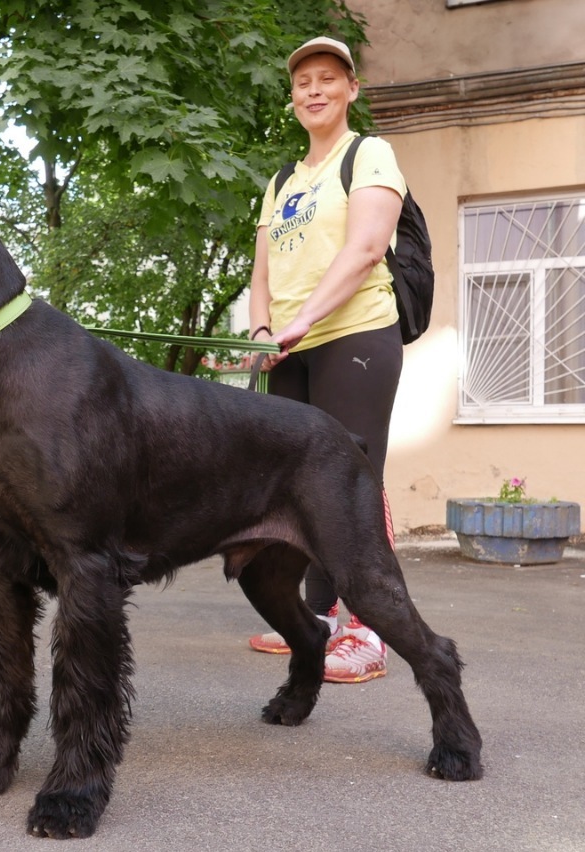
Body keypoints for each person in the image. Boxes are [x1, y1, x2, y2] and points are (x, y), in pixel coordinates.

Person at [247, 36, 405, 683]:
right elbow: (261, 271)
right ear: (293, 98)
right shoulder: (282, 181)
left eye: (327, 79)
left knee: (353, 484)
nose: (314, 90)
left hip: (355, 336)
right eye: (303, 81)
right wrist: (261, 327)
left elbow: (367, 246)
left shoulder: (368, 155)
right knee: (291, 488)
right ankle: (310, 623)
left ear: (351, 90)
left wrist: (305, 318)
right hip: (289, 346)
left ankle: (372, 629)